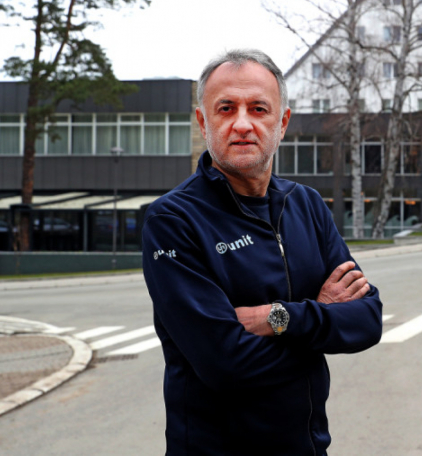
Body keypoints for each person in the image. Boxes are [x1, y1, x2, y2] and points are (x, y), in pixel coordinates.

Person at [142, 49, 383, 455]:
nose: (242, 124)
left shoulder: (305, 204)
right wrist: (323, 320)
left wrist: (280, 318)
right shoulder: (173, 220)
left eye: (258, 108)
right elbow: (225, 365)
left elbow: (367, 320)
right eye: (225, 109)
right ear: (203, 122)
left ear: (282, 123)